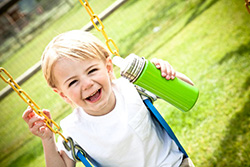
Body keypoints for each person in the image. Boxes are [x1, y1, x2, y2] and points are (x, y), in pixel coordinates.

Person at [22, 30, 195, 167]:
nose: (87, 84)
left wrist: (164, 76)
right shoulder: (72, 130)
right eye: (73, 82)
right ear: (62, 94)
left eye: (92, 71)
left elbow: (190, 91)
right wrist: (48, 140)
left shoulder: (131, 88)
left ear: (108, 67)